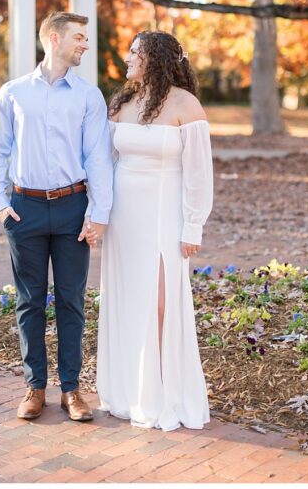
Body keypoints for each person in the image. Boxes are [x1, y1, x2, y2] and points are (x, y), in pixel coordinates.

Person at [0, 11, 114, 422]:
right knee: (29, 303)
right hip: (25, 211)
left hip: (74, 207)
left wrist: (99, 212)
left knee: (72, 302)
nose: (85, 44)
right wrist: (1, 205)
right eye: (79, 36)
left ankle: (72, 391)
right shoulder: (13, 93)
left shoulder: (88, 96)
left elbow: (97, 157)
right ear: (53, 39)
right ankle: (34, 387)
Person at [96, 30, 213, 431]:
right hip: (123, 217)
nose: (128, 58)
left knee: (161, 302)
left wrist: (192, 224)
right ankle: (128, 390)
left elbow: (199, 173)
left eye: (135, 52)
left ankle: (163, 391)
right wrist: (98, 213)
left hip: (164, 217)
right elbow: (104, 163)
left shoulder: (186, 105)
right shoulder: (122, 102)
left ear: (155, 58)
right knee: (126, 301)